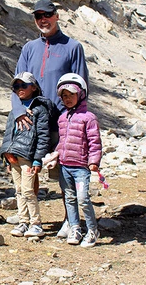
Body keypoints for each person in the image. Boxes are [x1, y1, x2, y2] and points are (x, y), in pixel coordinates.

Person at [12, 0, 89, 237]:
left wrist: (75, 119)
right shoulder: (29, 48)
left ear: (57, 16)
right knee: (29, 171)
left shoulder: (72, 47)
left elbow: (81, 87)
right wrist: (17, 113)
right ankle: (31, 219)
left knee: (66, 172)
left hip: (62, 121)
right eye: (38, 16)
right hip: (31, 121)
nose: (43, 20)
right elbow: (16, 84)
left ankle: (70, 220)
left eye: (47, 15)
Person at [47, 73, 102, 248]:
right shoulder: (62, 118)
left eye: (71, 95)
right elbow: (62, 142)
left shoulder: (88, 117)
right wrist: (55, 156)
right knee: (69, 198)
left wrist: (94, 160)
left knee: (83, 198)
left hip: (81, 168)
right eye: (64, 96)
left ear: (81, 94)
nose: (68, 99)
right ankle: (75, 228)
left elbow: (95, 141)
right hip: (65, 167)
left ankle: (93, 230)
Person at [0, 72, 54, 238]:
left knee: (28, 190)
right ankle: (23, 221)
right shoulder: (14, 111)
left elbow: (43, 136)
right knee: (18, 190)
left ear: (34, 87)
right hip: (13, 157)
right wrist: (6, 156)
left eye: (23, 85)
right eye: (16, 86)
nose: (20, 89)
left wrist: (38, 159)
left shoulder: (40, 110)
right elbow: (8, 134)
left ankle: (36, 223)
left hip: (28, 158)